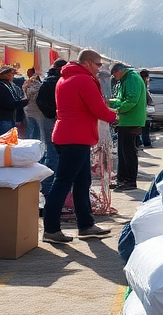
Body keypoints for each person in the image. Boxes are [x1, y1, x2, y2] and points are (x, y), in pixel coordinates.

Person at [43, 49, 117, 243]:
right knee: (63, 183)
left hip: (69, 136)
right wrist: (115, 115)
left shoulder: (64, 79)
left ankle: (86, 224)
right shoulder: (83, 80)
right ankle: (51, 229)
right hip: (75, 138)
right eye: (98, 64)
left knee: (82, 182)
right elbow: (98, 108)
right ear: (87, 63)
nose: (99, 69)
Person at [108, 63, 147, 190]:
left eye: (114, 74)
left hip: (131, 121)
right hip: (126, 121)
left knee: (128, 152)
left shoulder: (132, 79)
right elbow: (122, 98)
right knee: (122, 152)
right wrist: (110, 102)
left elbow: (131, 101)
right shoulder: (126, 79)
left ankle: (130, 180)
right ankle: (122, 179)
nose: (114, 77)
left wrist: (116, 110)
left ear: (119, 71)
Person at [35, 61, 63, 196]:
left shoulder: (49, 81)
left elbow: (40, 101)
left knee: (52, 152)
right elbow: (40, 101)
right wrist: (53, 113)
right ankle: (48, 186)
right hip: (52, 119)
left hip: (50, 118)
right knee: (53, 153)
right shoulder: (54, 81)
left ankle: (47, 185)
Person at [0, 66, 25, 136]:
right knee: (3, 140)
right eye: (9, 75)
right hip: (1, 118)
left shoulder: (9, 85)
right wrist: (21, 103)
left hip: (9, 118)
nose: (11, 77)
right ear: (1, 75)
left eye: (12, 75)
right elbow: (6, 103)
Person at [22, 66, 43, 140]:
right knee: (38, 132)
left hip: (28, 109)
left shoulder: (26, 83)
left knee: (31, 130)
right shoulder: (36, 84)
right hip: (37, 110)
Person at [138, 68, 154, 148]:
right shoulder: (142, 83)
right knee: (144, 126)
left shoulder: (139, 82)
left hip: (140, 109)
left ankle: (140, 142)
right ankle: (145, 142)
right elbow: (146, 97)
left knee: (140, 126)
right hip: (141, 109)